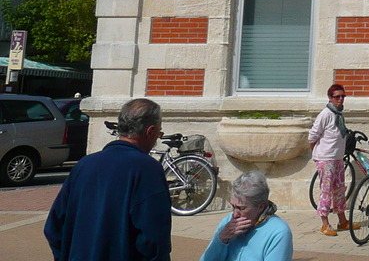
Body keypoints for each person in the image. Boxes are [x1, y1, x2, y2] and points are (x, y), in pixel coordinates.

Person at [44, 97, 172, 261]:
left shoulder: (84, 164)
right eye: (158, 134)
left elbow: (54, 227)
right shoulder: (148, 169)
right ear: (150, 131)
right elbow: (154, 239)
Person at [199, 170, 292, 261]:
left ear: (260, 207)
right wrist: (221, 239)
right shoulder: (228, 222)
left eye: (242, 208)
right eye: (233, 206)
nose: (235, 214)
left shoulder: (278, 232)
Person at [308, 83, 353, 236]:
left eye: (342, 96)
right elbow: (313, 135)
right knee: (326, 191)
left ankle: (342, 220)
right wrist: (316, 150)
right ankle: (325, 223)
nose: (340, 99)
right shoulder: (325, 114)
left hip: (338, 158)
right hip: (326, 158)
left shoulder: (339, 114)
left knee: (339, 189)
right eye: (337, 97)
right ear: (330, 98)